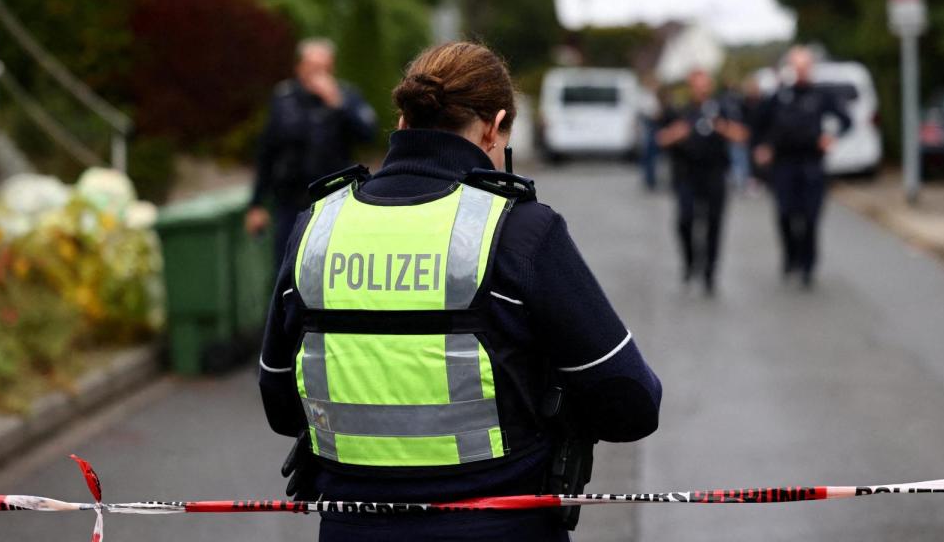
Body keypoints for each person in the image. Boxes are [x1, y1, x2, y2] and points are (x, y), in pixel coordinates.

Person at [257, 42, 662, 541]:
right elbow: (631, 402)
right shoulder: (520, 231)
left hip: (353, 527)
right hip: (500, 526)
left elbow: (280, 401)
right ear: (494, 126)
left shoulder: (317, 226)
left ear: (403, 122)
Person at [245, 38, 378, 268]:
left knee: (330, 270)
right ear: (300, 68)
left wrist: (337, 103)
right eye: (312, 67)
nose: (318, 74)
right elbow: (267, 152)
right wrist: (256, 204)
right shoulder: (284, 98)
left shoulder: (346, 95)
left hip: (334, 203)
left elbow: (369, 134)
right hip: (291, 203)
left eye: (324, 68)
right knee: (288, 270)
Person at [752, 46, 851, 288]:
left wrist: (831, 137)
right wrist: (762, 146)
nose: (802, 71)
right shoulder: (779, 96)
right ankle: (791, 256)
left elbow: (845, 120)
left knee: (810, 217)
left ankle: (808, 265)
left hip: (812, 164)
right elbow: (757, 124)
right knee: (785, 214)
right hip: (784, 165)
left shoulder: (821, 95)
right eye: (797, 66)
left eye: (805, 66)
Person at [657, 69, 748, 295]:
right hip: (687, 173)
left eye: (705, 85)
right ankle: (690, 262)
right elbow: (660, 138)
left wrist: (722, 127)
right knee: (685, 220)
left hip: (715, 173)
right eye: (697, 85)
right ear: (690, 87)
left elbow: (742, 135)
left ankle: (709, 272)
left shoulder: (722, 108)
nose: (701, 90)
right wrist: (677, 133)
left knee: (713, 223)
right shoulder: (679, 110)